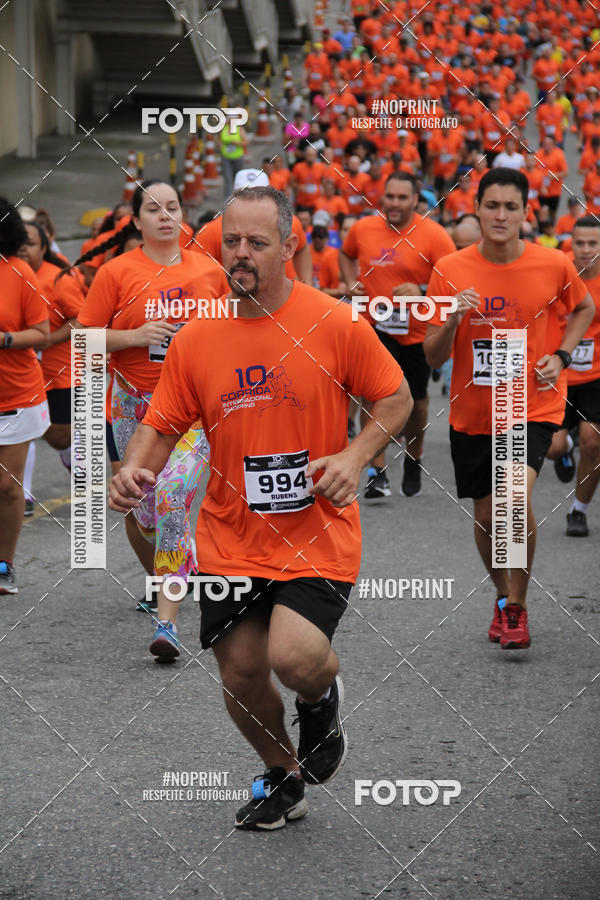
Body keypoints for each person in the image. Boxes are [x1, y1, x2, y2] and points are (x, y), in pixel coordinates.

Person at [108, 186, 412, 830]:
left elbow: (396, 399)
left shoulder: (333, 321)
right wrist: (134, 468)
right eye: (231, 244)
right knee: (243, 674)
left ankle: (321, 693)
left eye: (257, 243)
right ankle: (283, 774)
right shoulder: (199, 337)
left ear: (290, 247)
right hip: (231, 535)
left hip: (315, 532)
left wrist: (354, 459)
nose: (240, 256)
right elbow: (162, 424)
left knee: (293, 658)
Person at [424, 168, 594, 650]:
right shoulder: (450, 269)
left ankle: (517, 607)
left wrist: (561, 355)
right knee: (485, 518)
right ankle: (502, 597)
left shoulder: (553, 264)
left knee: (512, 501)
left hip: (531, 405)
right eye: (492, 206)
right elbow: (433, 356)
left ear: (526, 213)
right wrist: (453, 316)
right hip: (473, 415)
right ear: (477, 209)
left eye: (510, 207)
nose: (500, 215)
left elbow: (582, 309)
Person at [76, 180, 228, 657]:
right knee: (143, 511)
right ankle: (182, 563)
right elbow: (83, 342)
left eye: (173, 207)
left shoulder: (209, 272)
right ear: (137, 221)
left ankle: (168, 626)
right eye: (152, 208)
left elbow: (233, 332)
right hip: (132, 404)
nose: (165, 215)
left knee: (171, 496)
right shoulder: (116, 273)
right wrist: (135, 336)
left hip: (191, 410)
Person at [339, 172, 455, 498]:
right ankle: (376, 470)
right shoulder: (363, 229)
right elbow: (346, 254)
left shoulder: (434, 236)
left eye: (402, 198)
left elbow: (452, 280)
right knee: (372, 396)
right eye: (389, 196)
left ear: (416, 201)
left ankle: (413, 458)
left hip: (417, 332)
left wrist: (421, 290)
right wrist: (350, 280)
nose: (394, 203)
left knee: (416, 404)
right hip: (373, 328)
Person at [0, 198, 50, 594]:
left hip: (15, 396)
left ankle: (5, 563)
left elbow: (42, 332)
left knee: (6, 487)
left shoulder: (18, 272)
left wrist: (5, 339)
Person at [17, 222, 79, 512]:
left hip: (59, 373)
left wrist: (48, 339)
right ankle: (22, 495)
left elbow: (81, 320)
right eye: (19, 242)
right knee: (22, 430)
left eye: (30, 243)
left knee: (58, 435)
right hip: (20, 373)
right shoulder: (10, 276)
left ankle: (70, 456)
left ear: (44, 247)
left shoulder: (58, 279)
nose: (23, 248)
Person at [547, 216, 600, 536]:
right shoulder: (557, 272)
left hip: (596, 375)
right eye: (579, 243)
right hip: (558, 372)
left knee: (592, 442)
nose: (585, 250)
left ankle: (578, 511)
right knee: (553, 447)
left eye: (593, 244)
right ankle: (564, 451)